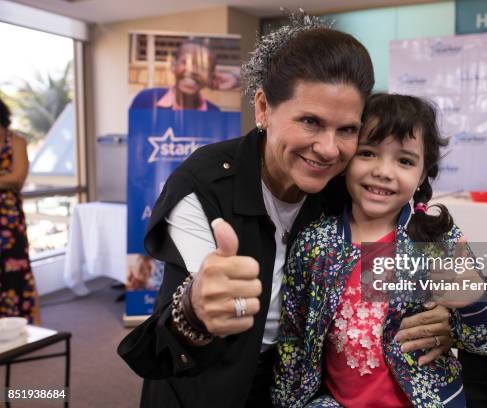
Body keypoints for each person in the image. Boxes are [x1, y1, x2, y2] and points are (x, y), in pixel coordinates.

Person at [118, 14, 456, 408]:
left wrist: (438, 316)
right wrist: (193, 310)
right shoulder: (202, 185)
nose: (329, 149)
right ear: (263, 107)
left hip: (298, 391)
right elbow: (160, 346)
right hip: (204, 387)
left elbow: (394, 263)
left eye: (347, 130)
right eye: (310, 122)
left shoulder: (339, 188)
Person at [272, 94, 487, 407]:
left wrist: (474, 300)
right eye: (368, 153)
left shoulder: (436, 243)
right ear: (346, 161)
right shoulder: (314, 243)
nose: (384, 171)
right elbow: (293, 336)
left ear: (423, 174)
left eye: (404, 161)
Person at [0, 97, 40, 325]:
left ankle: (21, 325)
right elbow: (10, 178)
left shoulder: (16, 141)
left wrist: (9, 180)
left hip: (9, 220)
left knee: (15, 267)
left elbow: (18, 178)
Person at [131, 37, 222, 111]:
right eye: (185, 62)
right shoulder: (146, 100)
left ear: (210, 76)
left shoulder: (214, 113)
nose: (192, 71)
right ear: (173, 65)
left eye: (203, 67)